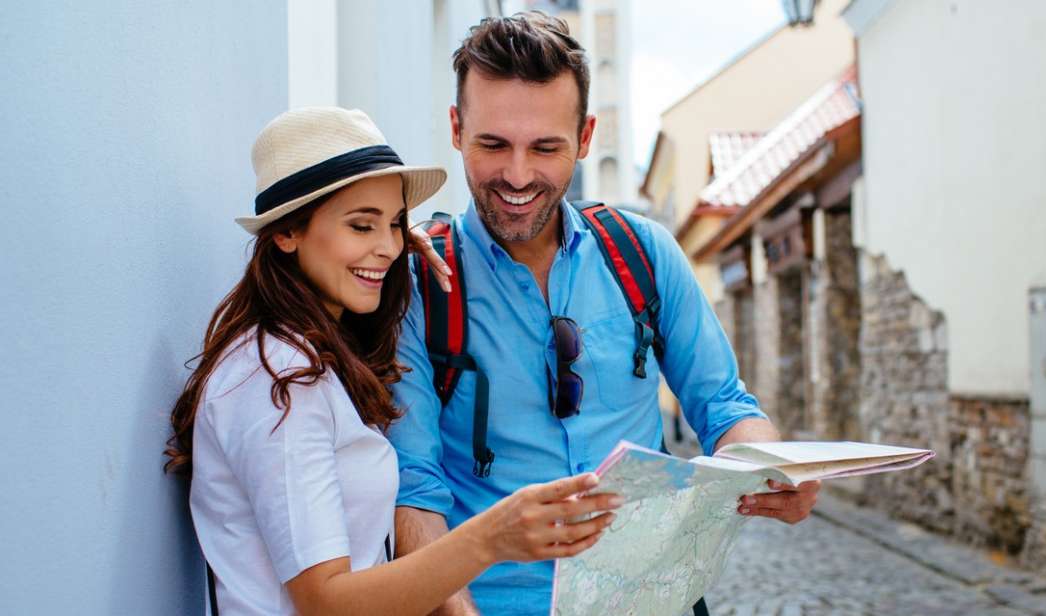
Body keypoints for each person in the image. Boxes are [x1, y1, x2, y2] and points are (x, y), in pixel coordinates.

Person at [390, 12, 821, 616]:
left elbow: (724, 407)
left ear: (586, 137)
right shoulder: (413, 281)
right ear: (458, 129)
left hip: (658, 598)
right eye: (493, 144)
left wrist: (773, 467)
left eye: (545, 147)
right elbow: (413, 487)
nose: (517, 175)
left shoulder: (643, 253)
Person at [164, 106, 621, 615]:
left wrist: (388, 248)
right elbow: (325, 602)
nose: (386, 247)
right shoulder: (280, 380)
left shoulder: (311, 355)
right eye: (362, 226)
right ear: (286, 234)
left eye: (396, 225)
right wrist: (490, 538)